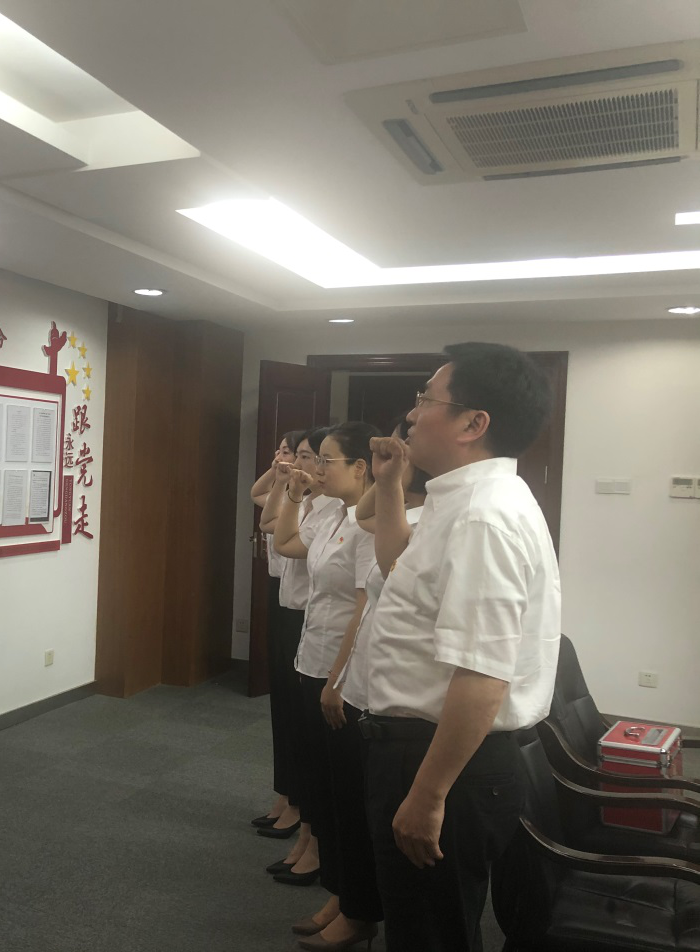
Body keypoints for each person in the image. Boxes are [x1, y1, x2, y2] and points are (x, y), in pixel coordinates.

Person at [360, 343, 559, 952]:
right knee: (424, 923)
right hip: (429, 751)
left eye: (426, 398)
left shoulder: (482, 517)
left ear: (474, 424)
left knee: (431, 933)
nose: (411, 414)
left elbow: (483, 676)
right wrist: (389, 486)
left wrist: (427, 795)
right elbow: (398, 569)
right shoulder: (461, 500)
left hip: (443, 761)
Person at [271, 422, 381, 950]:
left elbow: (364, 608)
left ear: (360, 468)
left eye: (326, 460)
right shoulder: (333, 514)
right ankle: (339, 894)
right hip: (312, 659)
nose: (316, 468)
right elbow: (285, 543)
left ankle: (354, 906)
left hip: (342, 674)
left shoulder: (368, 527)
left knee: (345, 799)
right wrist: (294, 495)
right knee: (321, 786)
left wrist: (337, 681)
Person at [258, 427, 339, 881]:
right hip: (298, 619)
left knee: (312, 738)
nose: (308, 466)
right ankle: (293, 806)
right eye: (307, 456)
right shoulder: (308, 502)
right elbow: (269, 524)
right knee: (290, 720)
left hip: (320, 628)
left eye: (317, 458)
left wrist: (293, 491)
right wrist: (285, 484)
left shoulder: (339, 514)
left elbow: (282, 539)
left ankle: (309, 828)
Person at [247, 430, 302, 833]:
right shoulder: (283, 493)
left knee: (297, 713)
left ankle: (298, 803)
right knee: (281, 706)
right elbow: (257, 496)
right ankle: (284, 794)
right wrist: (277, 472)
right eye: (280, 449)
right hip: (280, 596)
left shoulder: (313, 505)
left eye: (293, 452)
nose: (282, 456)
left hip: (301, 608)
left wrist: (291, 482)